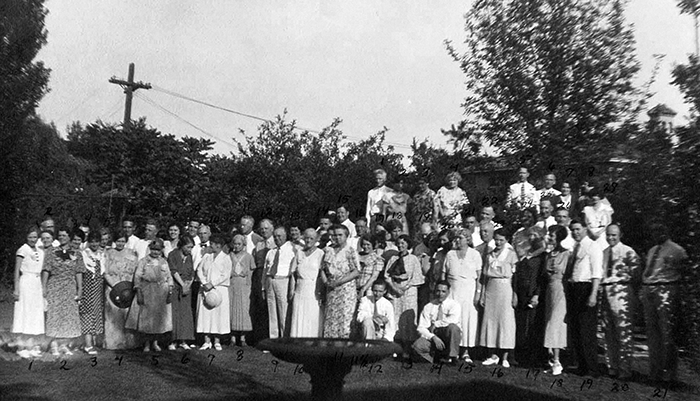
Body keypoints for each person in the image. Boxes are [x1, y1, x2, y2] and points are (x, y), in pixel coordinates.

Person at [641, 223, 688, 384]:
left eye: (660, 230)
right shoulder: (652, 250)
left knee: (667, 332)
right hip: (649, 290)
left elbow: (684, 271)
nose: (657, 233)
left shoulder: (677, 250)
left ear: (667, 231)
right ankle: (655, 371)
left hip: (666, 290)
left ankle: (669, 374)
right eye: (654, 230)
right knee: (652, 333)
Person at [601, 224, 639, 380]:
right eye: (608, 235)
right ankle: (612, 366)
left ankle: (625, 369)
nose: (611, 238)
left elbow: (637, 275)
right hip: (606, 290)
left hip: (621, 290)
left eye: (614, 235)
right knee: (607, 330)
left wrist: (631, 294)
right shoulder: (604, 252)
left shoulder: (628, 252)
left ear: (620, 235)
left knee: (623, 330)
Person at [566, 220, 603, 377]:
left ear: (585, 229)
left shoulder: (593, 246)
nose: (575, 232)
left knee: (586, 329)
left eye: (578, 229)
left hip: (586, 288)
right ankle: (582, 365)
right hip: (575, 288)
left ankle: (592, 368)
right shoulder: (576, 247)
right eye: (573, 230)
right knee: (576, 329)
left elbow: (596, 273)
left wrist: (593, 294)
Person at [42, 228, 86, 355]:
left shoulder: (76, 253)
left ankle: (64, 344)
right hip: (55, 285)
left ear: (69, 237)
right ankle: (54, 344)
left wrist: (80, 289)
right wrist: (44, 287)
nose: (61, 237)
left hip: (70, 286)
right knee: (55, 315)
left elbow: (78, 272)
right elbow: (46, 270)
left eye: (64, 235)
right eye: (60, 235)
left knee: (68, 317)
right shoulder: (52, 251)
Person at [125, 239, 173, 352]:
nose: (155, 252)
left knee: (157, 319)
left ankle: (155, 343)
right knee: (146, 318)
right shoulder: (143, 261)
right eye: (153, 249)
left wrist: (170, 289)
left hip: (160, 291)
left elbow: (169, 276)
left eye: (158, 250)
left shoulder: (164, 262)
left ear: (161, 250)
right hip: (147, 290)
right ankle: (146, 343)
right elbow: (137, 276)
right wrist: (138, 290)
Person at [479, 228, 517, 368]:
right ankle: (492, 354)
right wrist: (482, 294)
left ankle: (505, 356)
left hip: (505, 289)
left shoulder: (511, 254)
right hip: (491, 289)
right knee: (490, 320)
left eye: (501, 240)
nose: (498, 242)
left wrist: (514, 295)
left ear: (506, 240)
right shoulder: (489, 255)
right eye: (496, 239)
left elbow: (515, 278)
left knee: (505, 321)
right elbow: (484, 277)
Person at [443, 228, 482, 363]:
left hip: (469, 292)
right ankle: (452, 351)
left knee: (467, 320)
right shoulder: (450, 254)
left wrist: (477, 294)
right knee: (453, 319)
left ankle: (465, 351)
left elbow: (479, 278)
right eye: (456, 238)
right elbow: (444, 274)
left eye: (460, 238)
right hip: (453, 291)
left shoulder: (475, 254)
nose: (457, 241)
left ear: (468, 240)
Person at [384, 234, 424, 357]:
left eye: (403, 243)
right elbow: (387, 276)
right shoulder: (393, 259)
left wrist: (404, 288)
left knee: (407, 318)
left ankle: (408, 348)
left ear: (408, 244)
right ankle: (396, 347)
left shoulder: (413, 259)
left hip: (409, 291)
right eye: (399, 243)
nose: (401, 245)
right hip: (395, 291)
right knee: (395, 317)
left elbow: (417, 277)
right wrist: (395, 288)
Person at [513, 226, 547, 367]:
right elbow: (517, 275)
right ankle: (522, 355)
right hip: (521, 293)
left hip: (534, 294)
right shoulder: (526, 253)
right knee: (522, 325)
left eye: (535, 235)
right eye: (530, 235)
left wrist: (537, 295)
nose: (532, 238)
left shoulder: (542, 256)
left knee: (533, 325)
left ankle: (534, 357)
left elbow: (542, 277)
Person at [321, 225, 360, 338]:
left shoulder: (350, 251)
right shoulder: (328, 250)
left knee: (344, 320)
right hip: (331, 290)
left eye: (340, 235)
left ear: (346, 236)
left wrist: (339, 282)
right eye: (335, 235)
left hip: (345, 290)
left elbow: (356, 271)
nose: (337, 238)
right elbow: (322, 268)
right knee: (331, 319)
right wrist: (325, 282)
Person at [103, 230, 139, 350]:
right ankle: (113, 343)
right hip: (112, 287)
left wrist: (132, 286)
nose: (120, 243)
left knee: (127, 315)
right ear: (114, 241)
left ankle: (128, 342)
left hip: (127, 288)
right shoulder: (108, 253)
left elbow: (135, 271)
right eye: (118, 241)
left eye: (123, 241)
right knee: (113, 315)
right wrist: (115, 286)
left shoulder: (132, 254)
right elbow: (105, 272)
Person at [196, 234, 232, 350]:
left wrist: (212, 284)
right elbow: (199, 270)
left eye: (212, 244)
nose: (210, 245)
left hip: (219, 289)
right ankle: (206, 341)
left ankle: (217, 341)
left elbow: (225, 275)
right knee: (205, 315)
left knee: (218, 315)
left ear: (219, 245)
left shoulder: (226, 258)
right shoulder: (207, 256)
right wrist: (204, 282)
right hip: (205, 289)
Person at [543, 225, 571, 375]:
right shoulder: (549, 254)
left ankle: (558, 360)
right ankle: (551, 359)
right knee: (549, 322)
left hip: (561, 289)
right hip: (550, 289)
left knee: (556, 323)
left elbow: (566, 274)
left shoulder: (566, 254)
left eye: (552, 235)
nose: (550, 237)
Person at [412, 281, 462, 364]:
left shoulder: (454, 304)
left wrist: (436, 324)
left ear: (448, 292)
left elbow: (453, 320)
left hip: (448, 336)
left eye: (443, 291)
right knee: (417, 346)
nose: (440, 294)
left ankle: (453, 357)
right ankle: (435, 358)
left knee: (453, 327)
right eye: (438, 291)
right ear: (434, 291)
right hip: (434, 336)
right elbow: (421, 327)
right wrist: (433, 337)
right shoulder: (428, 306)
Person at [289, 229, 324, 337]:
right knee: (298, 315)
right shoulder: (299, 253)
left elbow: (321, 274)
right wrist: (292, 290)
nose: (308, 240)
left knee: (312, 316)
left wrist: (320, 291)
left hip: (313, 290)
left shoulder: (320, 253)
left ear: (316, 239)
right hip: (300, 289)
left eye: (311, 238)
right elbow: (293, 273)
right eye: (306, 238)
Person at [264, 227, 297, 339]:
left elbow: (294, 270)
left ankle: (285, 339)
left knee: (284, 312)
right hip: (270, 280)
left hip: (283, 281)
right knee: (272, 312)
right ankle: (273, 339)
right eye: (275, 236)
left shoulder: (292, 250)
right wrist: (263, 287)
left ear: (285, 236)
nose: (277, 238)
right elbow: (265, 270)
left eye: (279, 236)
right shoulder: (271, 252)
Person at [12, 226, 45, 336]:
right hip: (26, 282)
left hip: (37, 283)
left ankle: (32, 344)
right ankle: (22, 346)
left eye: (35, 237)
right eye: (30, 237)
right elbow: (16, 270)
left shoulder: (40, 250)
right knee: (25, 310)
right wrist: (16, 289)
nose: (33, 239)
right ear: (26, 237)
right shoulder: (23, 249)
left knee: (35, 311)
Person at [167, 235, 196, 350]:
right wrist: (182, 284)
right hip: (176, 286)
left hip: (186, 287)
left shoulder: (189, 257)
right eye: (188, 247)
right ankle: (173, 340)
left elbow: (192, 272)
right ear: (182, 245)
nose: (190, 250)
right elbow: (173, 271)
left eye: (191, 247)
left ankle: (183, 340)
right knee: (175, 313)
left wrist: (188, 284)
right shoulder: (172, 255)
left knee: (185, 313)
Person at [80, 232, 105, 355]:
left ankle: (92, 343)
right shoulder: (83, 254)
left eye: (97, 241)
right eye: (92, 241)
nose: (94, 244)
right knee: (87, 314)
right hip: (87, 288)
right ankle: (87, 345)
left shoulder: (101, 254)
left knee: (95, 315)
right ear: (88, 242)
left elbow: (103, 273)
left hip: (98, 289)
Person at [228, 234, 256, 345]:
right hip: (232, 284)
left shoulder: (248, 256)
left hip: (244, 286)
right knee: (232, 309)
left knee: (244, 310)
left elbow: (252, 271)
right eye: (235, 243)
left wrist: (249, 281)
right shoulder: (229, 255)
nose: (237, 246)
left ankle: (243, 338)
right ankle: (233, 337)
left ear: (243, 244)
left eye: (239, 244)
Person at [251, 219, 275, 343]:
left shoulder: (275, 243)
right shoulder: (259, 244)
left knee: (269, 305)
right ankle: (259, 336)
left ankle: (270, 336)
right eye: (262, 228)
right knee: (259, 304)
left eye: (266, 228)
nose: (264, 230)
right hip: (259, 273)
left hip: (271, 274)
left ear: (272, 229)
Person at [410, 177, 438, 241]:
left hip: (428, 220)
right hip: (417, 221)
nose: (420, 186)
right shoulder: (416, 195)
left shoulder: (432, 194)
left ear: (427, 183)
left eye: (422, 184)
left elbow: (436, 209)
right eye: (419, 184)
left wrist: (434, 222)